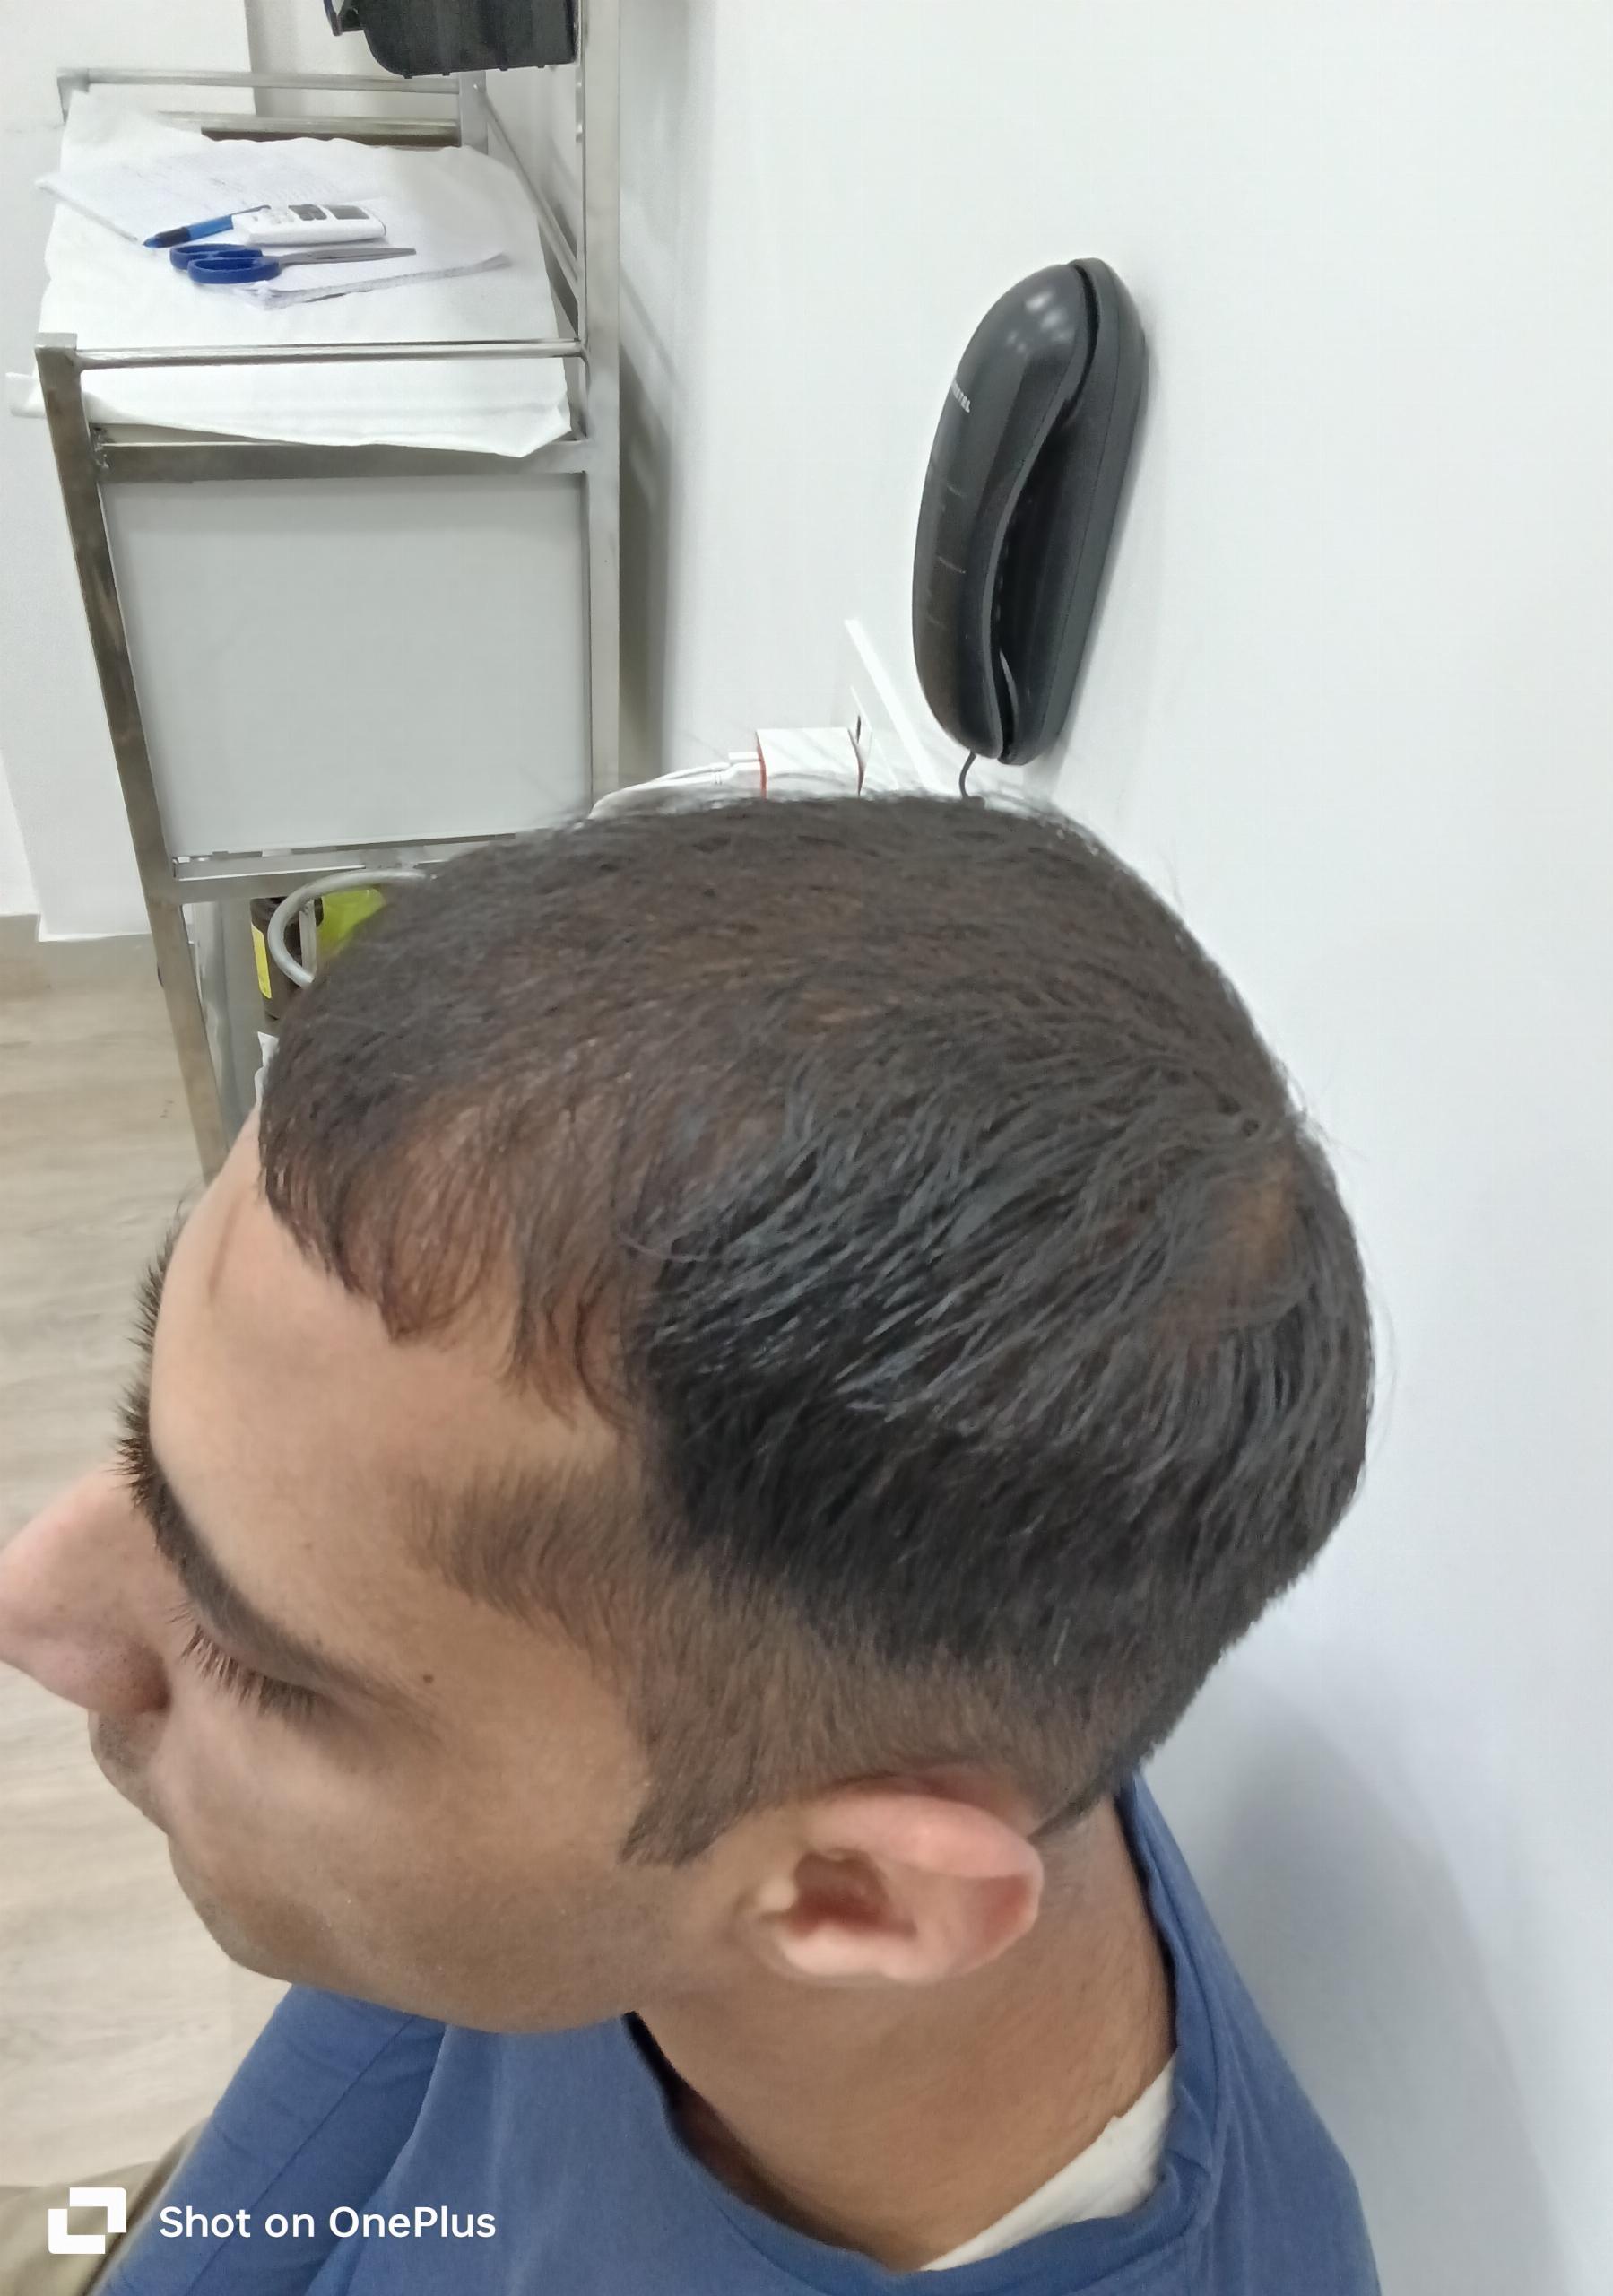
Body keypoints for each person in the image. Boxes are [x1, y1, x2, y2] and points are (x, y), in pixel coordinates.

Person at [0, 796, 1379, 2293]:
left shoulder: (702, 1700)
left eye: (253, 1659)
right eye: (149, 1447)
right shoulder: (797, 1679)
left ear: (854, 1897)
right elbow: (259, 2198)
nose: (34, 1603)